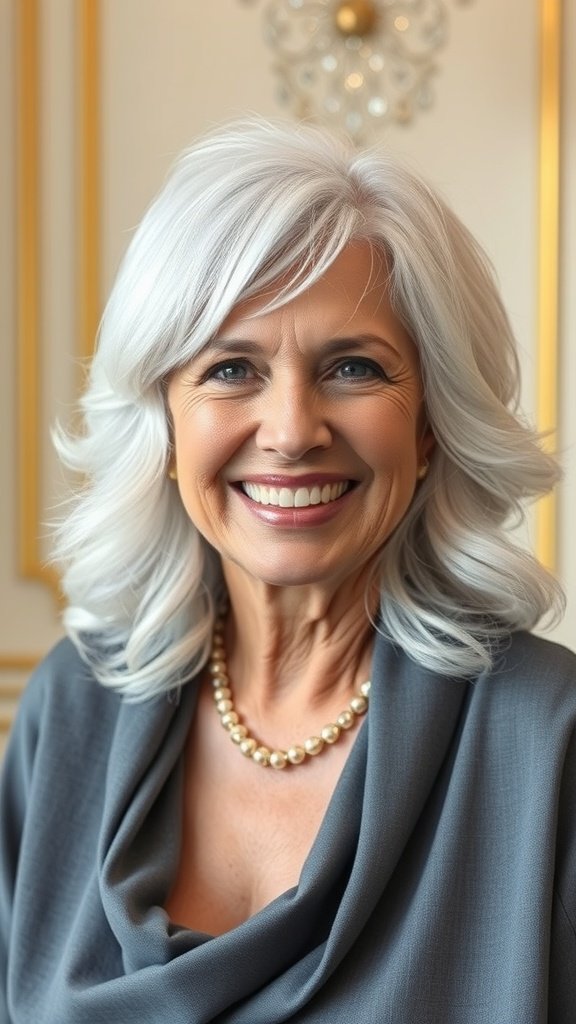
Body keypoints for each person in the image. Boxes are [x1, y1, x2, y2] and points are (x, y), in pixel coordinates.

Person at [1, 118, 575, 1024]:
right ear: (165, 424)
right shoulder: (72, 710)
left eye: (353, 367)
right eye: (232, 369)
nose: (292, 431)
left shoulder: (549, 737)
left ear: (432, 423)